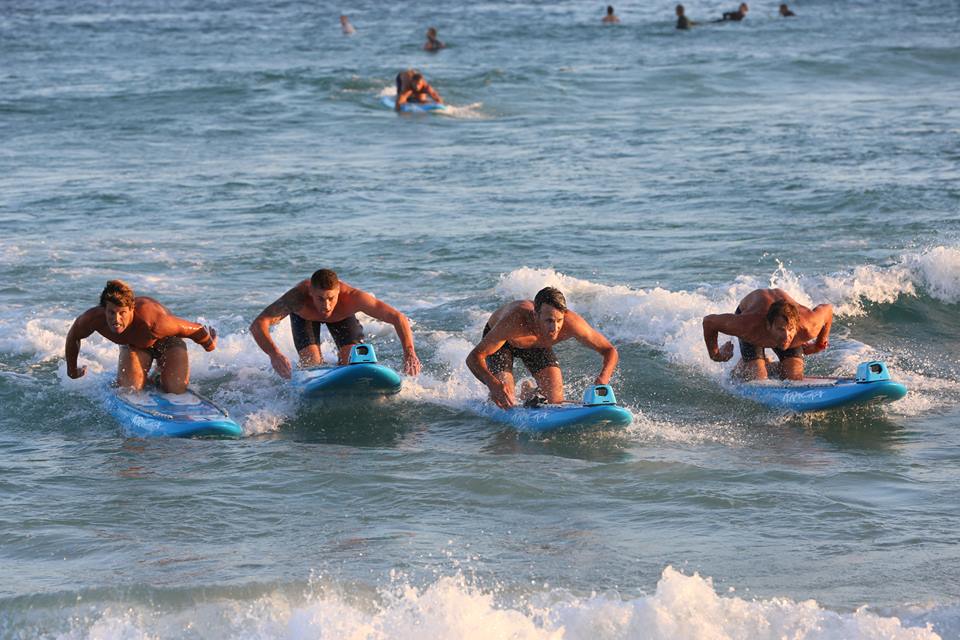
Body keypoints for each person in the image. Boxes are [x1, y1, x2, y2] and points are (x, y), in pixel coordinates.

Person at [249, 269, 421, 378]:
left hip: (342, 318)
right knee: (312, 364)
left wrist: (409, 352)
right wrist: (274, 354)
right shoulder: (297, 298)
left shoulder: (353, 298)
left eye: (331, 298)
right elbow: (258, 324)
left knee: (351, 364)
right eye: (320, 299)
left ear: (339, 291)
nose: (326, 305)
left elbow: (398, 317)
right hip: (305, 318)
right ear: (310, 292)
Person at [466, 287, 618, 409]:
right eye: (549, 320)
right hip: (502, 343)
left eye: (559, 320)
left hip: (536, 345)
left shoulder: (572, 324)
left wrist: (603, 378)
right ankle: (496, 397)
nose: (555, 328)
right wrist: (493, 384)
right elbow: (473, 358)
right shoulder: (514, 321)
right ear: (535, 315)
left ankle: (528, 392)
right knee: (506, 400)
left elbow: (609, 350)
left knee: (555, 401)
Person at [64, 280, 217, 394]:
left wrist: (211, 346)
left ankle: (158, 373)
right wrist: (72, 371)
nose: (116, 320)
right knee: (130, 390)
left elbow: (196, 330)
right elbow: (73, 337)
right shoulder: (92, 319)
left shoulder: (155, 321)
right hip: (136, 345)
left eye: (122, 313)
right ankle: (148, 374)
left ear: (131, 309)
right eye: (111, 313)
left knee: (175, 389)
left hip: (168, 341)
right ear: (104, 310)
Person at [702, 288, 833, 381]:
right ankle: (743, 367)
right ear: (768, 326)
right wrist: (716, 354)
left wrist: (819, 344)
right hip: (752, 312)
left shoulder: (808, 326)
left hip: (786, 314)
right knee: (759, 379)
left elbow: (828, 310)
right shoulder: (748, 326)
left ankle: (765, 363)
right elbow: (709, 322)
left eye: (790, 329)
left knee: (794, 378)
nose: (786, 336)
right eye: (781, 329)